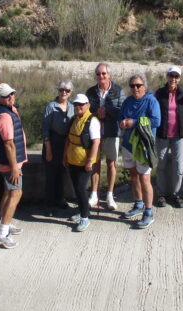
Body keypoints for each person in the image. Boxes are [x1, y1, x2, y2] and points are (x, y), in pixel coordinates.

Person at [119, 73, 161, 229]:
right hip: (128, 144)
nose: (135, 88)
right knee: (134, 176)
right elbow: (120, 117)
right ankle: (138, 204)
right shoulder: (128, 101)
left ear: (145, 86)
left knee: (145, 178)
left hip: (143, 146)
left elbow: (157, 121)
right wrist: (122, 123)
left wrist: (134, 122)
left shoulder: (151, 101)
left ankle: (149, 212)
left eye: (138, 85)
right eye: (132, 86)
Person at [86, 62, 125, 211]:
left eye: (103, 73)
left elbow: (121, 110)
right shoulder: (90, 92)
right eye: (98, 74)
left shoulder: (118, 90)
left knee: (111, 163)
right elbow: (86, 110)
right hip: (95, 132)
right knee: (95, 162)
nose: (101, 76)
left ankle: (110, 195)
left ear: (109, 75)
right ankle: (94, 194)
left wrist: (107, 110)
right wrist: (97, 112)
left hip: (112, 131)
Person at [0, 83, 27, 248]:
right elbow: (8, 144)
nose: (11, 97)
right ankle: (3, 231)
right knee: (16, 192)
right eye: (7, 96)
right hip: (11, 163)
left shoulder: (9, 110)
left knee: (8, 191)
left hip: (13, 160)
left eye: (12, 94)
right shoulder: (4, 116)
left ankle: (5, 220)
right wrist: (14, 167)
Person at [154, 65, 183, 208]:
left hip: (177, 135)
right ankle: (161, 194)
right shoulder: (159, 93)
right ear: (167, 77)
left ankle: (177, 194)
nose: (173, 79)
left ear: (179, 79)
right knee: (161, 164)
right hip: (163, 134)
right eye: (171, 76)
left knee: (178, 166)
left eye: (176, 77)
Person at [63, 94, 101, 232]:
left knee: (80, 188)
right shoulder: (74, 119)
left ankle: (85, 218)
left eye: (81, 105)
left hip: (85, 161)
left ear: (88, 105)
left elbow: (96, 142)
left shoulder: (92, 121)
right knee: (77, 188)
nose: (78, 107)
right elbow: (69, 139)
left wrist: (90, 161)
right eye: (76, 105)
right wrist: (65, 156)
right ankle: (82, 210)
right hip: (73, 159)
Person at [42, 80, 74, 215]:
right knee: (51, 176)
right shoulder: (51, 106)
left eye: (67, 90)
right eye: (61, 90)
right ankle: (48, 204)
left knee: (62, 173)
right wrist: (48, 150)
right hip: (52, 143)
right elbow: (45, 130)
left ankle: (60, 199)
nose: (64, 93)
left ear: (70, 93)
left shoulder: (72, 107)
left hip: (66, 144)